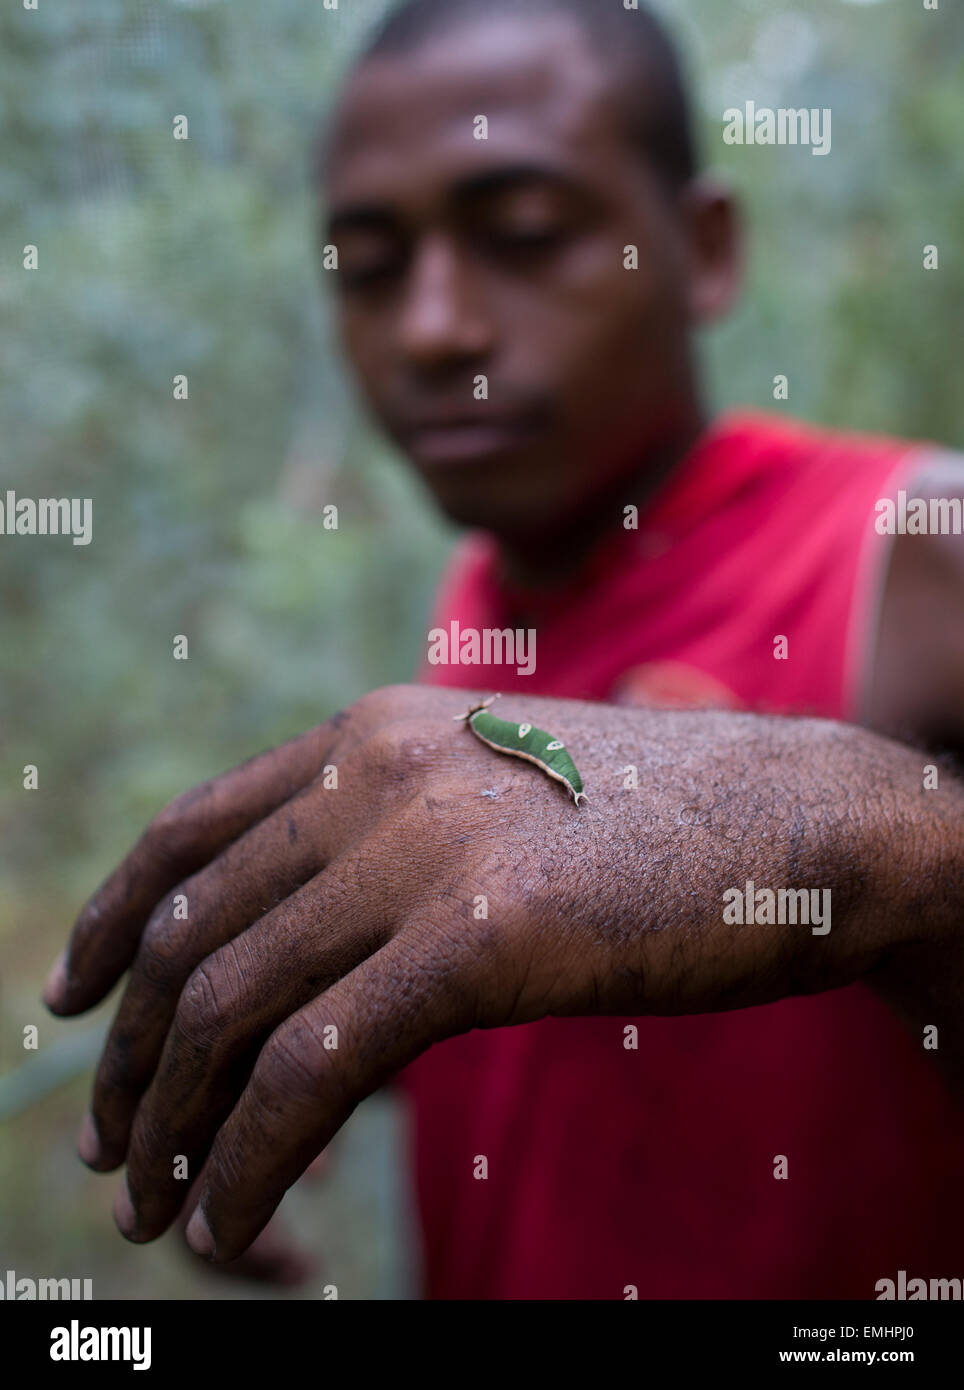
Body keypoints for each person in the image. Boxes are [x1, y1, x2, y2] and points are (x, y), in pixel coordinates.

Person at [45, 0, 964, 1299]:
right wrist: (306, 1054)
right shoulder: (478, 581)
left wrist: (887, 845)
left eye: (524, 236)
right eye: (367, 265)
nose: (433, 328)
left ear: (702, 250)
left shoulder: (915, 550)